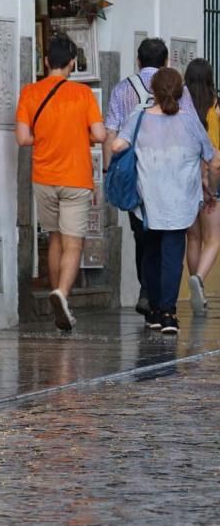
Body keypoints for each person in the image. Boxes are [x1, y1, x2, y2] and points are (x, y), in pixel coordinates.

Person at [112, 68, 220, 334]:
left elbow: (116, 146)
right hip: (181, 202)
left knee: (151, 254)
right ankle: (169, 314)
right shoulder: (190, 122)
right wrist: (211, 190)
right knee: (173, 256)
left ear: (153, 92)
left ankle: (155, 312)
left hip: (148, 202)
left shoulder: (139, 118)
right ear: (180, 92)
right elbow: (214, 160)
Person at [15, 33, 106, 331]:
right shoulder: (82, 95)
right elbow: (100, 134)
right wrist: (83, 135)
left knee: (54, 236)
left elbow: (23, 138)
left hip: (44, 177)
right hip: (76, 177)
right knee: (74, 242)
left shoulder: (30, 92)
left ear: (45, 62)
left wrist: (47, 136)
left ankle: (58, 299)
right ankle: (62, 295)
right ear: (72, 63)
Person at [103, 37, 193, 316]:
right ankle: (157, 300)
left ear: (138, 61)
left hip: (136, 175)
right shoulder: (180, 90)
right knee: (168, 240)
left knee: (143, 235)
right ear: (166, 62)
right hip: (173, 175)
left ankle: (147, 290)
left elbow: (110, 133)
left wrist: (110, 172)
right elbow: (189, 128)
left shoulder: (122, 89)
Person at [184, 58, 220, 316]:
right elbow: (214, 156)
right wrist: (213, 189)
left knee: (193, 237)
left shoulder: (180, 109)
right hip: (208, 181)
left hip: (185, 181)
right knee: (214, 239)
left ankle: (198, 288)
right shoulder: (213, 110)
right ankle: (198, 279)